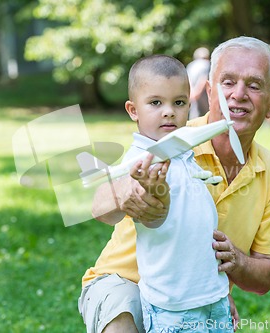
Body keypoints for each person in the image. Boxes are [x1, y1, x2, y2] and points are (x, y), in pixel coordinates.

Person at [79, 36, 270, 333]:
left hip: (195, 297)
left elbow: (265, 276)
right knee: (123, 321)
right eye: (227, 82)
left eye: (253, 85)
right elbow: (101, 203)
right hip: (123, 280)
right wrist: (128, 193)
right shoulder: (174, 137)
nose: (238, 94)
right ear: (209, 92)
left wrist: (233, 265)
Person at [92, 54, 232, 333]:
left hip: (209, 293)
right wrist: (151, 191)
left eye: (178, 103)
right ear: (133, 110)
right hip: (173, 304)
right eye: (156, 103)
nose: (169, 111)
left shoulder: (183, 152)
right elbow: (152, 219)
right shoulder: (142, 163)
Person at [187, 47, 211, 119]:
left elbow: (188, 80)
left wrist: (192, 93)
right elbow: (203, 80)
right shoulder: (206, 64)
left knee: (194, 117)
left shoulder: (190, 65)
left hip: (192, 95)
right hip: (204, 96)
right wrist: (197, 93)